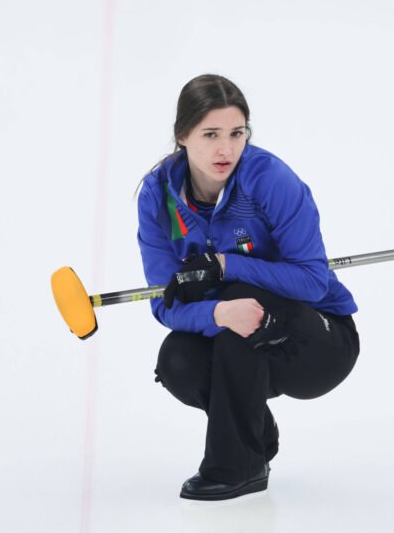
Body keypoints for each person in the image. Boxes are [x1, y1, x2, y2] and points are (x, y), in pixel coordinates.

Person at [137, 74, 360, 501]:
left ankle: (233, 467)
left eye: (237, 133)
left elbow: (313, 282)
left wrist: (225, 265)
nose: (226, 149)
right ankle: (252, 438)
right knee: (178, 360)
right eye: (211, 134)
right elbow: (166, 303)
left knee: (240, 300)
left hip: (317, 340)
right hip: (239, 330)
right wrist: (215, 312)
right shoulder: (156, 197)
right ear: (183, 135)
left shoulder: (270, 180)